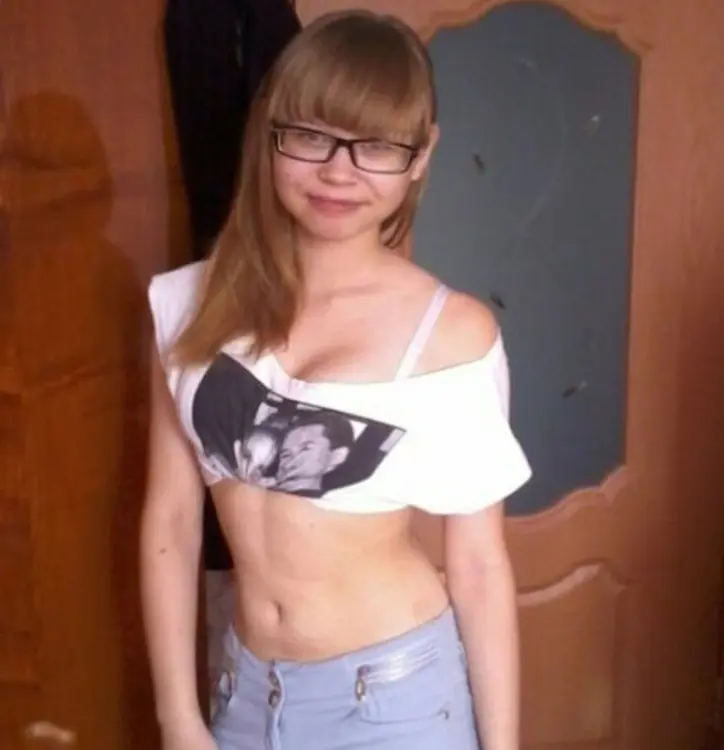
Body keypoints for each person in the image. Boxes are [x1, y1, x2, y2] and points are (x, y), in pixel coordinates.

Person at [140, 9, 532, 750]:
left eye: (376, 145)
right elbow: (170, 519)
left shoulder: (452, 333)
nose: (339, 171)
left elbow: (479, 564)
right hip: (244, 692)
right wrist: (178, 717)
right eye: (311, 135)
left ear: (420, 156)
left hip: (396, 701)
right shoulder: (185, 303)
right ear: (270, 134)